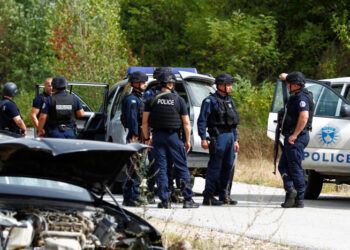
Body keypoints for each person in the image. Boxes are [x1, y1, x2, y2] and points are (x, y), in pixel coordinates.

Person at [142, 71, 199, 209]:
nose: (172, 84)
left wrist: (146, 139)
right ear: (168, 83)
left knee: (161, 169)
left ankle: (164, 200)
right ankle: (187, 199)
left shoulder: (151, 100)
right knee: (181, 167)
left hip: (158, 138)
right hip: (174, 137)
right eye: (171, 83)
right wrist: (187, 140)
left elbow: (144, 123)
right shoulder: (179, 100)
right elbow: (186, 123)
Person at [197, 73, 240, 206]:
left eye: (230, 85)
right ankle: (208, 196)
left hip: (230, 137)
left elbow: (233, 123)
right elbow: (202, 121)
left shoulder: (230, 101)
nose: (230, 88)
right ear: (220, 86)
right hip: (218, 137)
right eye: (228, 85)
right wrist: (203, 138)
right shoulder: (210, 101)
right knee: (215, 167)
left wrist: (236, 140)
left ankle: (225, 195)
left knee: (228, 167)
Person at [144, 67, 180, 204]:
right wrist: (148, 135)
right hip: (155, 133)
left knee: (169, 165)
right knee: (155, 165)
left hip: (171, 134)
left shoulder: (173, 93)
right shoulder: (150, 94)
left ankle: (168, 192)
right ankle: (150, 191)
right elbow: (145, 117)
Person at [278, 72, 314, 208]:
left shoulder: (301, 98)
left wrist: (294, 134)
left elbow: (304, 117)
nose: (287, 86)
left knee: (294, 167)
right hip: (296, 136)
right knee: (284, 166)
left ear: (296, 85)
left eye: (289, 84)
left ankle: (297, 196)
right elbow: (290, 77)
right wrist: (285, 77)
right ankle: (291, 193)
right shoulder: (300, 94)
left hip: (296, 137)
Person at [121, 71, 148, 207]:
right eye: (142, 82)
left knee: (137, 167)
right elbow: (132, 119)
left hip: (140, 135)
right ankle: (132, 195)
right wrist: (134, 134)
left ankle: (131, 195)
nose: (144, 85)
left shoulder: (140, 98)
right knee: (136, 166)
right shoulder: (132, 99)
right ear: (135, 83)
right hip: (135, 136)